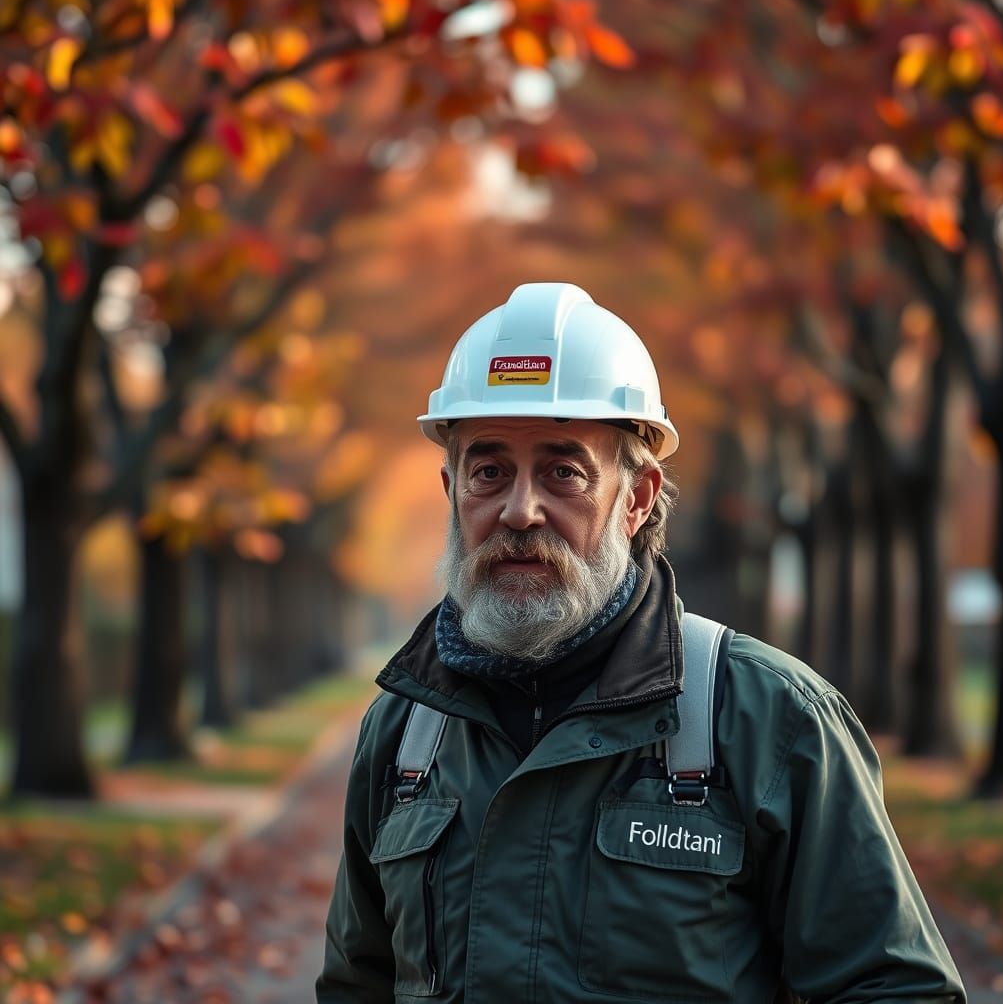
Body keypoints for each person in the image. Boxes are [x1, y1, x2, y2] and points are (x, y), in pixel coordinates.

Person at [316, 282, 965, 1003]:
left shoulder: (768, 718)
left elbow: (893, 989)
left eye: (563, 472)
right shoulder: (405, 732)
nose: (520, 510)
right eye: (489, 471)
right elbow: (356, 986)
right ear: (452, 490)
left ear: (638, 496)